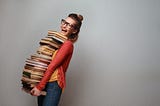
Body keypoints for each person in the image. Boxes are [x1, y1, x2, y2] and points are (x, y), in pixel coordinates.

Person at [30, 13, 83, 106]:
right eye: (64, 22)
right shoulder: (56, 41)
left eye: (69, 25)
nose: (64, 26)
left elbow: (52, 66)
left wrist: (40, 86)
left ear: (74, 30)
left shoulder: (67, 44)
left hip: (53, 84)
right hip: (44, 80)